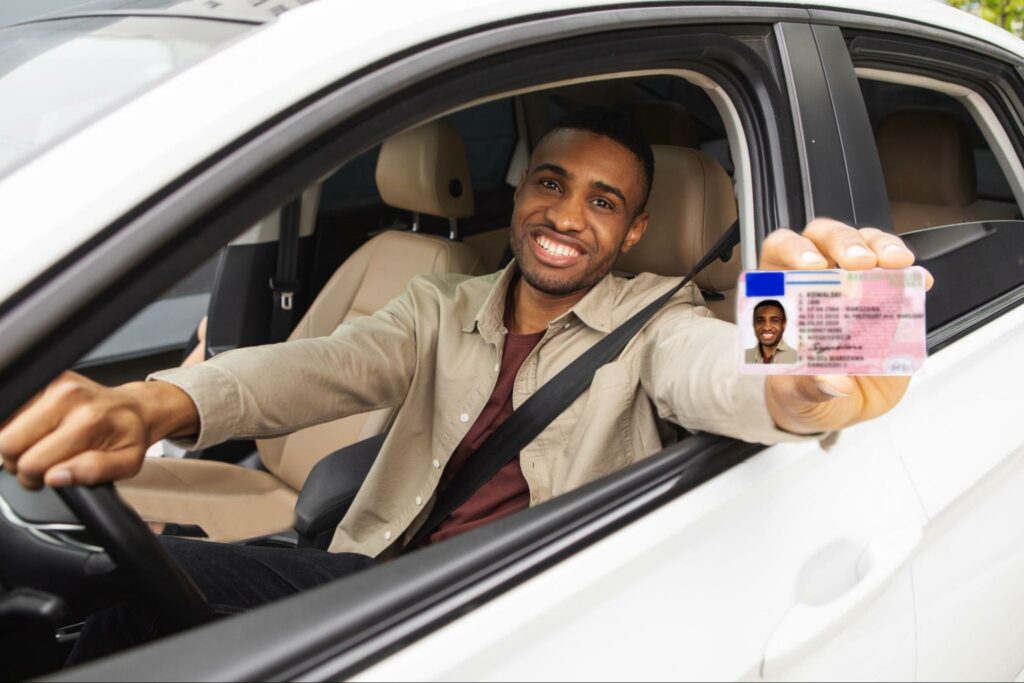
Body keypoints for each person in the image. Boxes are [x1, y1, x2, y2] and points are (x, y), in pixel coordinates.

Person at [0, 108, 929, 660]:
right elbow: (316, 368)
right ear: (520, 192)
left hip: (516, 613)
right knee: (125, 595)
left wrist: (815, 378)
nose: (566, 216)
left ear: (635, 232)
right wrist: (152, 402)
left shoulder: (662, 319)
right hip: (381, 578)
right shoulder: (443, 304)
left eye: (602, 202)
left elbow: (733, 377)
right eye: (551, 184)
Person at [745, 299, 797, 364]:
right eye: (760, 321)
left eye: (775, 320)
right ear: (753, 324)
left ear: (783, 324)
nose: (767, 328)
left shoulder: (797, 358)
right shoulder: (743, 357)